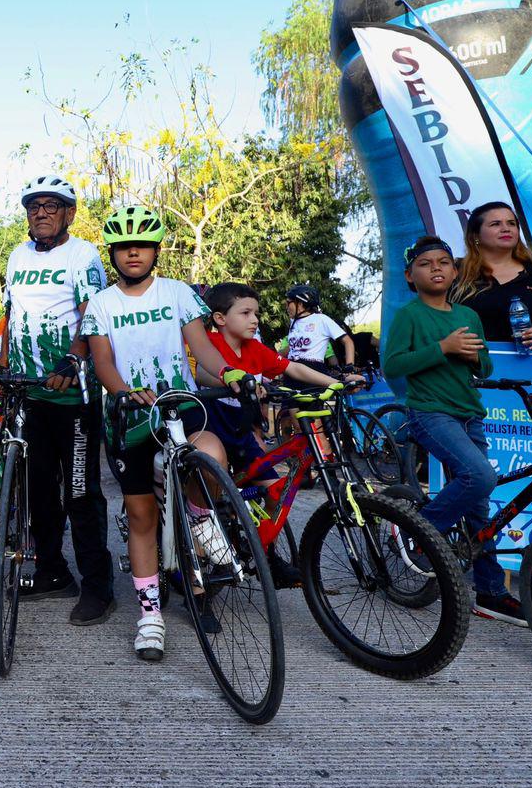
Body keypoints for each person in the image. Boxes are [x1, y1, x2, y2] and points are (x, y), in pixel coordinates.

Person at [81, 206, 236, 662]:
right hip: (129, 417)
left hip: (178, 409)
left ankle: (200, 517)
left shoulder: (178, 293)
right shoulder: (102, 304)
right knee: (142, 516)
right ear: (113, 253)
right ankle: (150, 617)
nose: (133, 253)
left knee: (210, 455)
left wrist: (232, 374)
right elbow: (102, 361)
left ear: (155, 251)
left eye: (142, 245)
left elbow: (204, 349)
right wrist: (124, 391)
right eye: (125, 246)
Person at [382, 235, 525, 627]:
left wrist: (472, 355)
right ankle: (418, 531)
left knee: (480, 506)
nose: (437, 268)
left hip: (470, 414)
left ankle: (491, 592)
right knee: (480, 476)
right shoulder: (410, 315)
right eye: (426, 264)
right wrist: (443, 348)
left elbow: (484, 368)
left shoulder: (468, 315)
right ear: (411, 276)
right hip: (430, 413)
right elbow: (392, 366)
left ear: (456, 270)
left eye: (444, 262)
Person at [0, 173, 115, 625]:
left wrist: (72, 360)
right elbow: (12, 311)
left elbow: (92, 314)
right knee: (38, 490)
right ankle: (52, 571)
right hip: (28, 391)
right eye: (34, 206)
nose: (42, 213)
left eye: (52, 205)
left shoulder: (83, 254)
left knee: (81, 493)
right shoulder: (16, 255)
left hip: (74, 393)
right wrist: (2, 361)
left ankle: (98, 586)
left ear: (69, 212)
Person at [202, 281, 353, 588]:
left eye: (255, 313)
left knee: (276, 491)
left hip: (241, 432)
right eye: (245, 313)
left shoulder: (254, 348)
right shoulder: (207, 345)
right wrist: (236, 379)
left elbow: (292, 367)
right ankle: (205, 559)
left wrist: (334, 382)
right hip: (210, 428)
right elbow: (199, 371)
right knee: (208, 500)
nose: (255, 319)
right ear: (220, 319)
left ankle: (264, 553)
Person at [450, 201, 532, 349]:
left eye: (511, 223)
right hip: (468, 367)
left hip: (528, 368)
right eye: (495, 224)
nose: (506, 229)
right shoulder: (453, 272)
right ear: (475, 235)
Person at [283, 284, 355, 371]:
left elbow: (348, 342)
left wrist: (350, 367)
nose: (286, 307)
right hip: (293, 369)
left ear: (300, 304)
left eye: (288, 303)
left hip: (313, 369)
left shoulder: (321, 319)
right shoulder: (293, 323)